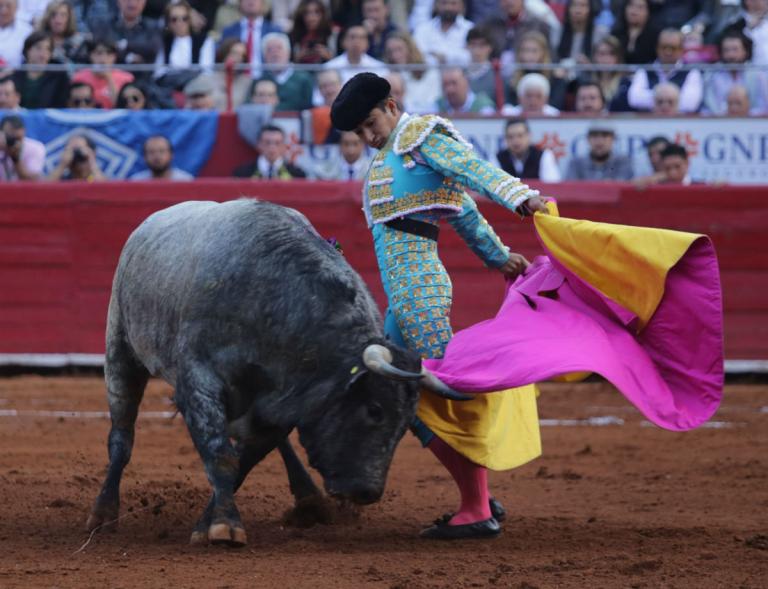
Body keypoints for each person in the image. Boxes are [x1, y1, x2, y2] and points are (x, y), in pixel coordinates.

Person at [330, 72, 549, 540]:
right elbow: (461, 208)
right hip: (402, 295)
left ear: (391, 105)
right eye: (360, 133)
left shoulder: (420, 135)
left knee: (446, 392)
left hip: (420, 288)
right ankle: (478, 496)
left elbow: (472, 171)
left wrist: (519, 196)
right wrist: (497, 256)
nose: (369, 137)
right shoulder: (392, 155)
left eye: (371, 123)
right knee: (397, 396)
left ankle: (476, 507)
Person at [627, 28, 703, 113]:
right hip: (649, 123)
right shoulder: (645, 69)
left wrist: (655, 99)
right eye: (664, 47)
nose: (668, 52)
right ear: (657, 48)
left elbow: (690, 104)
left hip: (680, 123)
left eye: (673, 48)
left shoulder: (691, 71)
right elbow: (634, 99)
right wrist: (673, 100)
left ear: (681, 50)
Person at [702, 31, 768, 116]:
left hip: (751, 124)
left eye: (735, 49)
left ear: (745, 52)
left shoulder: (758, 75)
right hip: (718, 123)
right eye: (726, 50)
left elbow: (763, 108)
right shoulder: (711, 74)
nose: (731, 55)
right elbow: (709, 107)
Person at [154, 0, 216, 88]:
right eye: (174, 19)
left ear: (190, 20)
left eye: (184, 18)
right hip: (169, 90)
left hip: (196, 88)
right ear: (168, 23)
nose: (180, 23)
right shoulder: (164, 42)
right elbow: (159, 73)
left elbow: (206, 71)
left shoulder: (204, 40)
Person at [219, 0, 282, 77]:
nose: (251, 1)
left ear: (263, 3)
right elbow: (222, 58)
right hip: (237, 80)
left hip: (265, 81)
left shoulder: (274, 31)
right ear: (240, 3)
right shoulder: (229, 31)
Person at [383, 31, 441, 114]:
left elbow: (434, 100)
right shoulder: (387, 75)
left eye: (399, 49)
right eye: (390, 52)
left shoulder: (428, 71)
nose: (395, 56)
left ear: (410, 48)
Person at [90, 0, 163, 66]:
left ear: (144, 2)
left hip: (143, 77)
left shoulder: (153, 27)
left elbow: (153, 51)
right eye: (127, 0)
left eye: (137, 0)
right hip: (111, 75)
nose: (132, 4)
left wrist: (125, 45)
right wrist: (128, 57)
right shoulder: (103, 25)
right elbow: (99, 48)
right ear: (118, 1)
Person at [71, 37, 134, 109]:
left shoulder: (127, 78)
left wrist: (109, 78)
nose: (103, 58)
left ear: (114, 57)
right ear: (91, 55)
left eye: (109, 53)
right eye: (99, 53)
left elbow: (123, 107)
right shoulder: (78, 77)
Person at [258, 32, 313, 111]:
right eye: (269, 50)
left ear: (288, 52)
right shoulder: (260, 80)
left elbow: (308, 106)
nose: (275, 53)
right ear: (264, 56)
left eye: (279, 48)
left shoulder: (304, 78)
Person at [13, 31, 69, 108]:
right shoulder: (15, 76)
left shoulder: (59, 76)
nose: (43, 54)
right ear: (27, 50)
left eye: (48, 49)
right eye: (38, 48)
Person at [496, 117, 561, 181]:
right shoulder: (498, 158)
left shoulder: (544, 155)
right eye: (510, 137)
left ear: (529, 136)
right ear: (505, 139)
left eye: (520, 135)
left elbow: (552, 185)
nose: (515, 141)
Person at [232, 124, 307, 179]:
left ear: (284, 146)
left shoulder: (297, 175)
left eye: (277, 143)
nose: (272, 147)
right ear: (259, 145)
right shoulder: (242, 174)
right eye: (267, 143)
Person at [565, 120, 633, 180]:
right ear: (588, 139)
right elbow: (570, 190)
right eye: (595, 136)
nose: (599, 141)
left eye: (605, 136)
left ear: (613, 139)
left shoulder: (623, 162)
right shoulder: (576, 163)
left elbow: (619, 188)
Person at [413, 0, 474, 65]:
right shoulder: (423, 29)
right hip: (430, 73)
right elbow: (418, 57)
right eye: (444, 3)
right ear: (435, 5)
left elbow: (473, 57)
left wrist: (444, 57)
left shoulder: (470, 29)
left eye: (453, 3)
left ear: (462, 6)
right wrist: (457, 57)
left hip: (464, 74)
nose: (448, 8)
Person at [610, 0, 659, 65]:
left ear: (648, 12)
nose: (634, 11)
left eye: (640, 7)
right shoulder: (615, 34)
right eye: (631, 5)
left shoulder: (656, 36)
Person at [288, 0, 335, 65]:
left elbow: (341, 60)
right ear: (301, 15)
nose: (311, 18)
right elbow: (288, 63)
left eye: (316, 12)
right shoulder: (293, 36)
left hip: (325, 71)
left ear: (323, 14)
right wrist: (297, 57)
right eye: (307, 13)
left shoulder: (330, 34)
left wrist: (328, 56)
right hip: (301, 71)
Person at [0, 114, 45, 180]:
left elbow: (33, 181)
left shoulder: (36, 148)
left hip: (24, 189)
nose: (14, 142)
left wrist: (16, 158)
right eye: (10, 138)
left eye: (18, 139)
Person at [213, 37, 251, 111]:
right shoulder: (207, 79)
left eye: (242, 55)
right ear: (224, 53)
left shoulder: (248, 82)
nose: (238, 58)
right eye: (234, 53)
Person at [465, 26, 497, 101]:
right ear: (467, 46)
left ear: (490, 48)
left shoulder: (497, 76)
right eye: (473, 45)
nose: (477, 50)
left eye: (482, 45)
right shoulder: (459, 74)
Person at [0, 0, 34, 67]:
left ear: (16, 8)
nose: (3, 11)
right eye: (0, 6)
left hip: (17, 74)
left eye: (8, 6)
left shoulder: (27, 31)